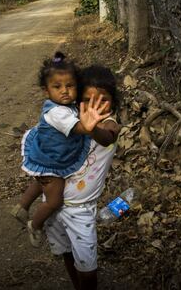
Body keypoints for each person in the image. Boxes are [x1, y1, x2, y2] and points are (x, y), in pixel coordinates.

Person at [16, 65, 121, 290]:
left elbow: (107, 137)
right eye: (87, 99)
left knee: (87, 267)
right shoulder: (71, 119)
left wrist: (92, 128)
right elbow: (50, 150)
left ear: (113, 102)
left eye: (103, 100)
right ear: (77, 101)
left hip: (81, 211)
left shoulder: (109, 123)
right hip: (53, 205)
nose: (95, 106)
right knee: (66, 253)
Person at [11, 53, 111, 248]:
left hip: (49, 154)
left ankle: (21, 207)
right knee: (54, 199)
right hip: (53, 160)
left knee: (42, 181)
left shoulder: (65, 105)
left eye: (70, 86)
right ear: (46, 91)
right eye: (57, 87)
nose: (64, 91)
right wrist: (89, 126)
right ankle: (36, 224)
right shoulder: (57, 112)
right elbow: (79, 128)